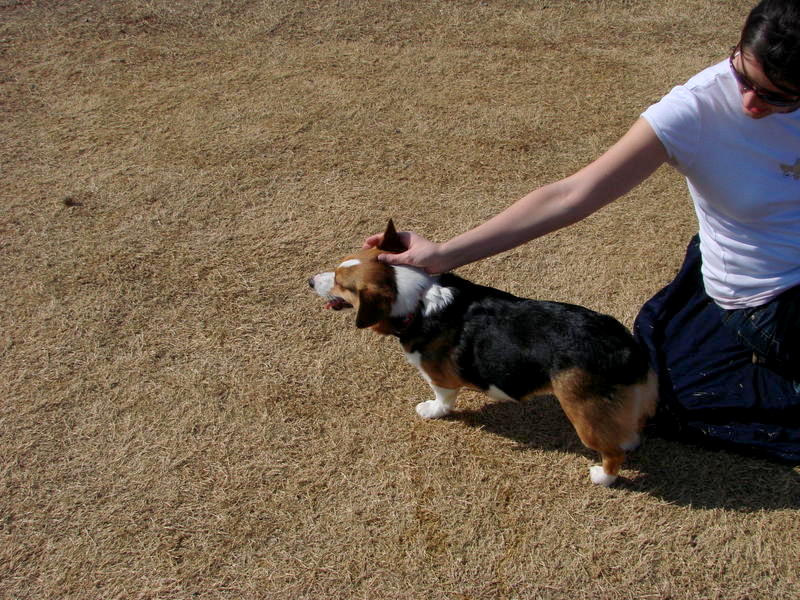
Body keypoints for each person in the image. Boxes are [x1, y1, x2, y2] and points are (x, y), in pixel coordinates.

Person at [364, 0, 800, 461]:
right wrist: (445, 255)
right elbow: (572, 195)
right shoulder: (693, 111)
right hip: (769, 293)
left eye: (779, 96)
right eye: (743, 76)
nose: (751, 102)